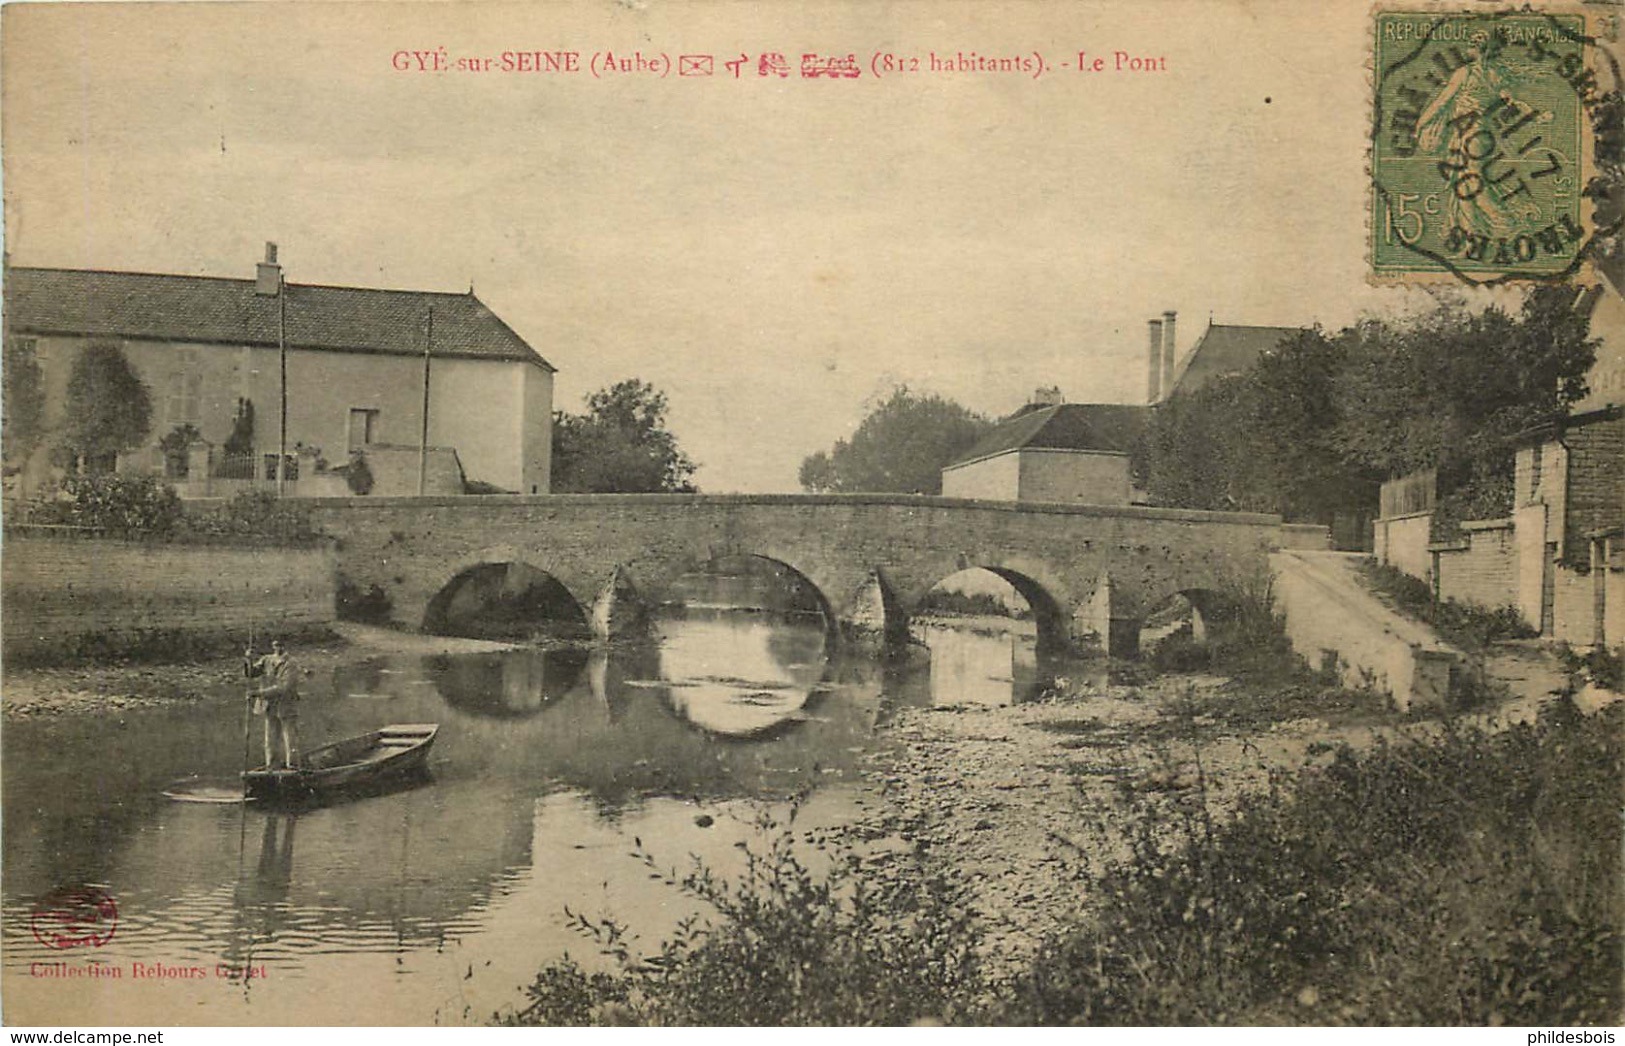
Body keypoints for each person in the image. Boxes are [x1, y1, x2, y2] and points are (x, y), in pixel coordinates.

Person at [244, 638, 301, 769]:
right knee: (270, 738)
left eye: (281, 645)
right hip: (270, 706)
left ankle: (292, 766)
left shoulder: (291, 663)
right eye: (275, 645)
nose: (278, 648)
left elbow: (283, 687)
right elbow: (251, 673)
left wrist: (258, 693)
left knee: (289, 737)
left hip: (287, 705)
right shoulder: (266, 660)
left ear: (285, 646)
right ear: (272, 646)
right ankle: (271, 765)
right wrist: (248, 659)